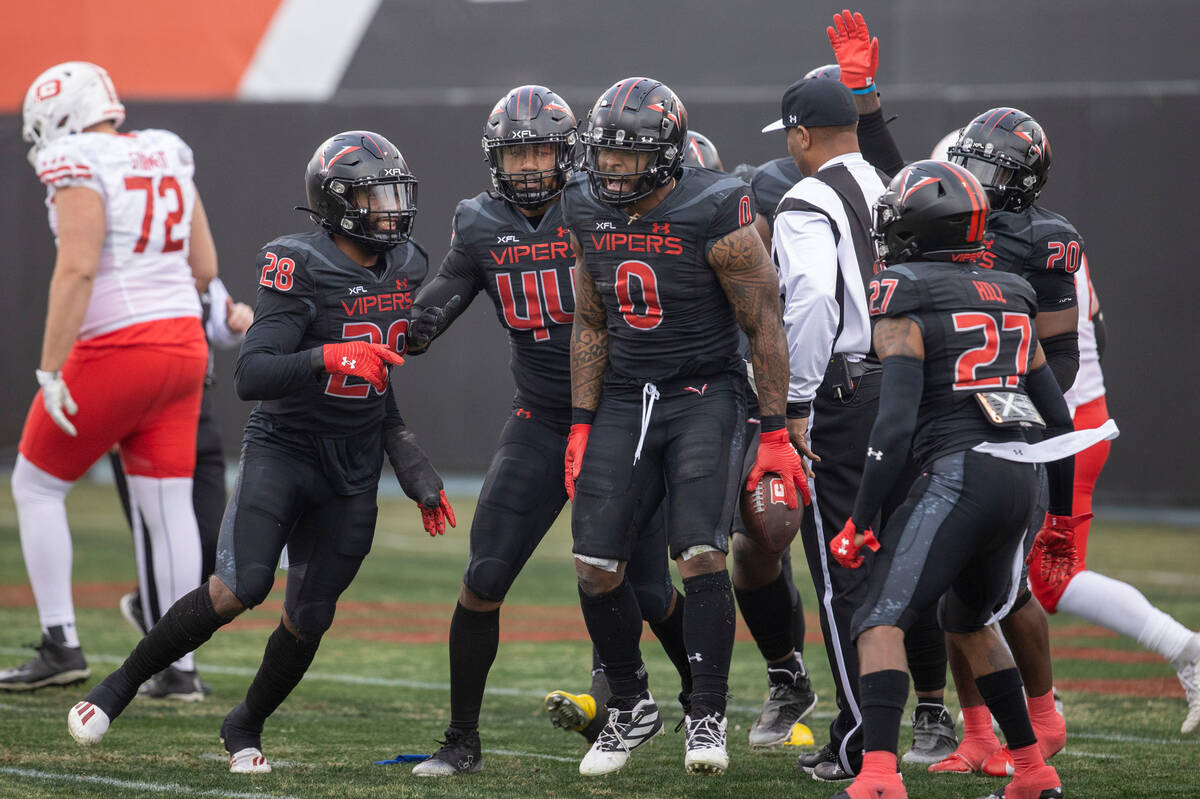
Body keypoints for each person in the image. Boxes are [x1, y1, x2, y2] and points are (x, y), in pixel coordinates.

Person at [66, 130, 455, 774]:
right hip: (286, 448)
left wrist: (409, 463)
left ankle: (245, 723)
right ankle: (119, 686)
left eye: (395, 193)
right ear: (337, 204)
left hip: (354, 465)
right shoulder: (297, 262)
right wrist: (330, 353)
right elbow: (254, 373)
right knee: (239, 587)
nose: (391, 207)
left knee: (311, 615)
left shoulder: (408, 264)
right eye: (374, 195)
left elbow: (377, 380)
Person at [400, 85, 694, 776]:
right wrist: (416, 324)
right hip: (539, 415)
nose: (529, 164)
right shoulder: (477, 221)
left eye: (540, 149)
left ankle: (699, 698)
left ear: (569, 154)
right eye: (516, 150)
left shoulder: (600, 204)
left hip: (619, 414)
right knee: (485, 574)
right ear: (495, 157)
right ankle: (461, 738)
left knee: (648, 587)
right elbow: (449, 285)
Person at [827, 157, 1095, 799]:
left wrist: (861, 519)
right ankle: (1032, 771)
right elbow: (1056, 417)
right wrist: (1058, 516)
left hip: (960, 472)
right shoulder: (1012, 289)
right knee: (970, 621)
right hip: (1018, 475)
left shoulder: (902, 289)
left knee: (879, 620)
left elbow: (891, 429)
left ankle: (879, 776)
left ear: (918, 228)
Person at [563, 76, 805, 777]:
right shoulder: (582, 204)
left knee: (699, 549)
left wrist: (775, 430)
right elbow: (589, 317)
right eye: (603, 154)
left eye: (627, 157)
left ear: (669, 156)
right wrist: (581, 423)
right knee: (594, 563)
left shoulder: (715, 206)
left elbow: (764, 325)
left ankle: (706, 711)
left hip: (705, 391)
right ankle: (632, 703)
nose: (610, 169)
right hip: (626, 396)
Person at [1, 62, 212, 693]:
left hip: (119, 345)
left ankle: (61, 642)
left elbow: (78, 268)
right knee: (167, 505)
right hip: (184, 344)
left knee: (36, 487)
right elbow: (205, 265)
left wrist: (49, 366)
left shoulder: (73, 158)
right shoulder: (166, 150)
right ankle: (181, 667)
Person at [1027, 258, 1200, 735]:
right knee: (1028, 575)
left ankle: (1185, 648)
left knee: (1040, 577)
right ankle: (1037, 699)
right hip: (1080, 415)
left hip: (1058, 426)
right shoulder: (1059, 239)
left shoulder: (1014, 241)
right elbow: (1095, 327)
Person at [109, 276, 254, 701]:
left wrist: (233, 319)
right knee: (162, 535)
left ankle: (151, 619)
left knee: (213, 541)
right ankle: (174, 669)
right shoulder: (126, 274)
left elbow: (221, 326)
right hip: (146, 409)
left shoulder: (196, 270)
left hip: (196, 408)